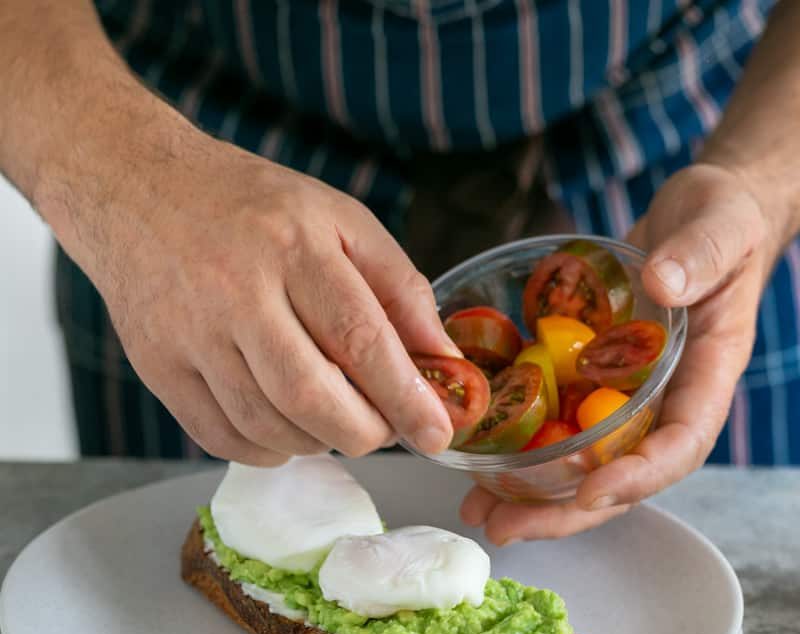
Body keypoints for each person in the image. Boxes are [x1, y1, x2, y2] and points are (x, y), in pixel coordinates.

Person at [2, 1, 798, 545]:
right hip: (181, 168)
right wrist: (125, 177)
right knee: (178, 627)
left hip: (689, 146)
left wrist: (762, 182)